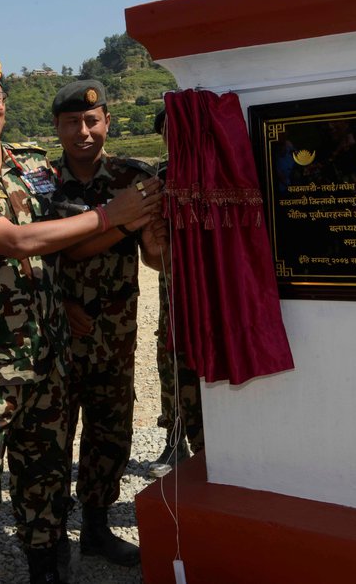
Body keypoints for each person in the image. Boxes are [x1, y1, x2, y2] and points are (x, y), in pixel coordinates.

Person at [0, 59, 161, 584]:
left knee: (43, 478)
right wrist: (112, 217)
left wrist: (130, 223)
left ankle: (46, 570)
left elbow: (62, 241)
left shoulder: (33, 166)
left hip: (46, 354)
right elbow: (18, 241)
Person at [51, 80, 166, 567]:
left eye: (92, 121)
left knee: (110, 431)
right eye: (72, 122)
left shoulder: (131, 177)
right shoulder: (37, 181)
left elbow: (156, 259)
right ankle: (49, 536)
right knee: (52, 435)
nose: (83, 131)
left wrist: (158, 236)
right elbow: (38, 252)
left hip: (116, 330)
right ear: (57, 127)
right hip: (56, 330)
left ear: (107, 123)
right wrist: (120, 222)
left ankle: (96, 527)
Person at [148, 108, 204, 478]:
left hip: (212, 291)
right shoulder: (162, 177)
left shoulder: (215, 173)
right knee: (172, 359)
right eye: (167, 132)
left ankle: (208, 445)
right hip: (175, 289)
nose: (174, 138)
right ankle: (174, 437)